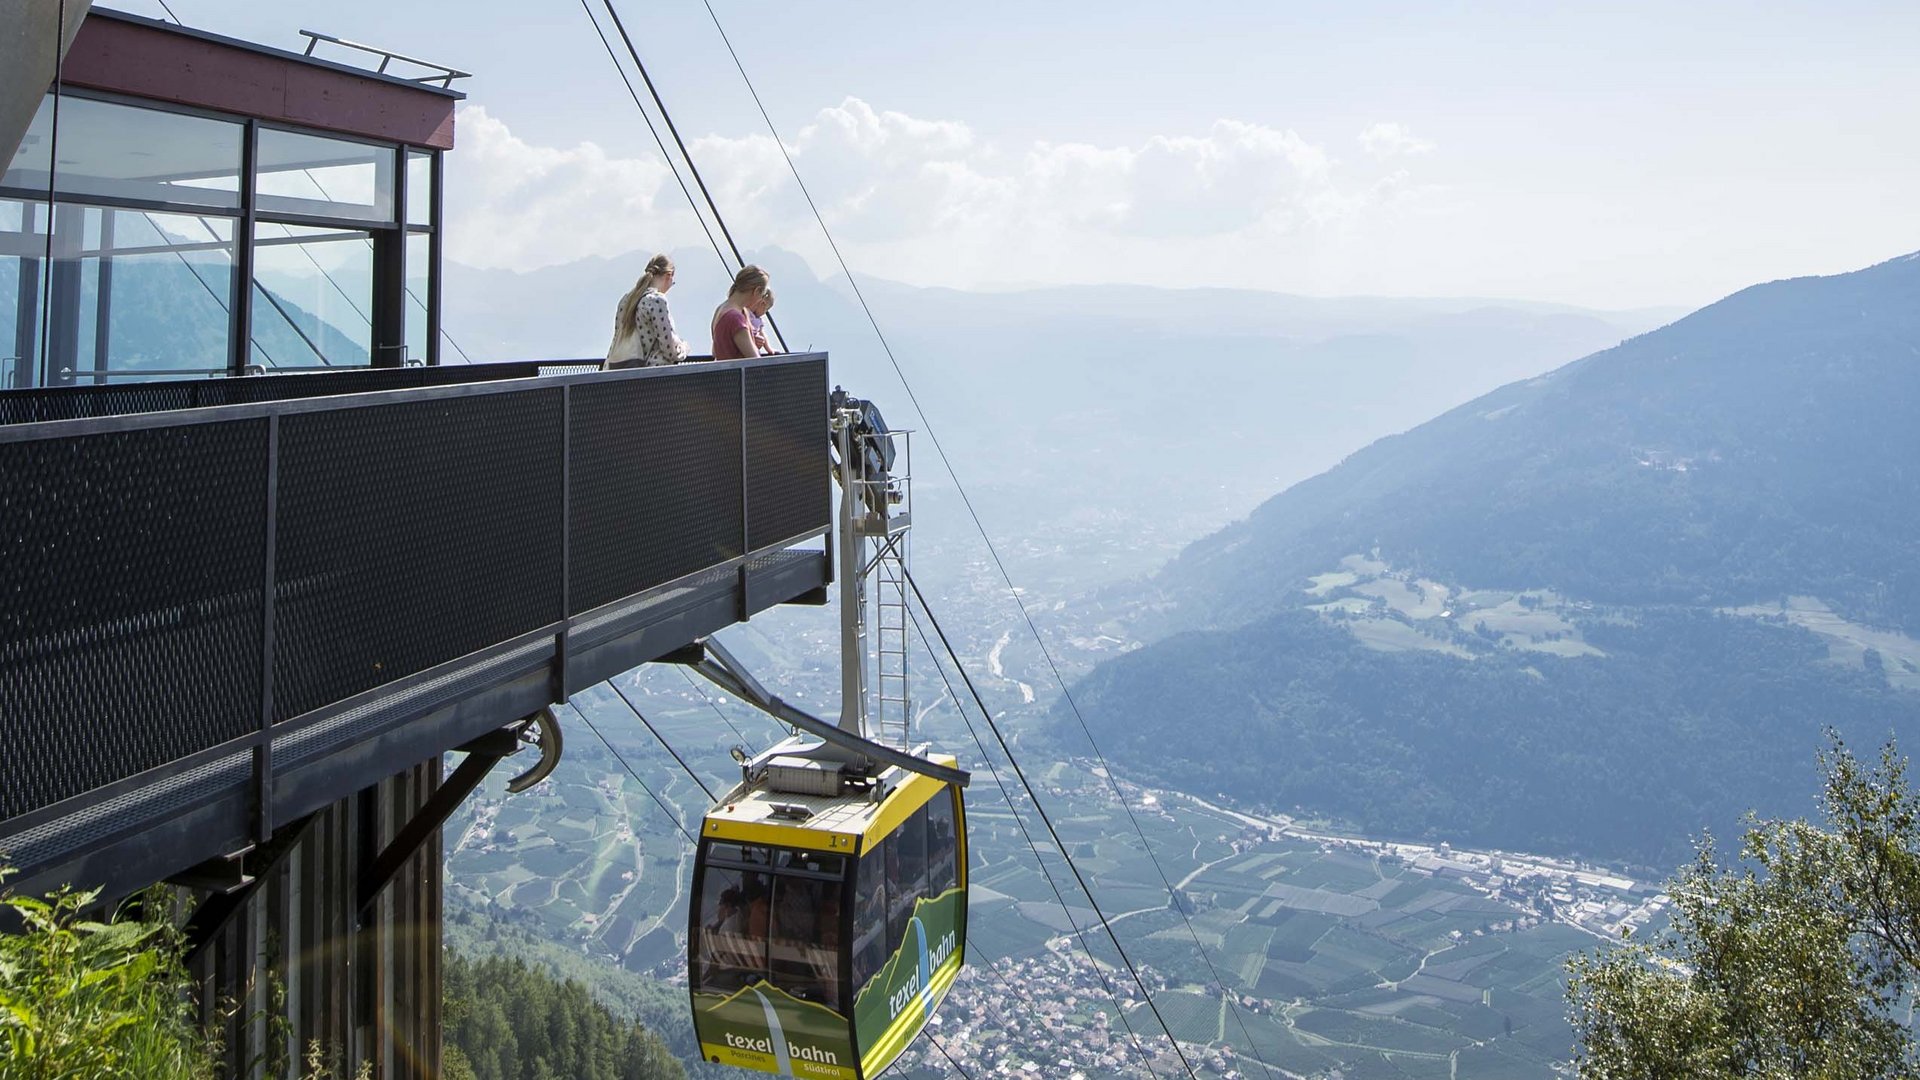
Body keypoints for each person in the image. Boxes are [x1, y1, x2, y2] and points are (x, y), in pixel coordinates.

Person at [605, 254, 687, 368]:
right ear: (669, 276)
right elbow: (669, 350)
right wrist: (683, 348)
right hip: (650, 376)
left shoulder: (626, 300)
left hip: (622, 373)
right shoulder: (657, 301)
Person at [711, 265, 770, 361]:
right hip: (735, 375)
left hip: (722, 373)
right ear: (756, 291)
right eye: (762, 295)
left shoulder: (721, 309)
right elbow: (755, 360)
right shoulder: (736, 318)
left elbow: (715, 351)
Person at [748, 287, 775, 354]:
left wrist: (769, 349)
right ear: (762, 304)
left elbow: (762, 334)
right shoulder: (747, 313)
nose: (764, 313)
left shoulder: (759, 321)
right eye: (766, 309)